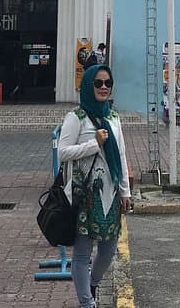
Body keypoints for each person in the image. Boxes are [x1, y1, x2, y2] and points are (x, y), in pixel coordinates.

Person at [58, 65, 131, 308]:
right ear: (89, 86)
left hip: (110, 195)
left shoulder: (113, 116)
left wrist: (125, 192)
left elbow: (120, 155)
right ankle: (87, 303)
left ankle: (92, 284)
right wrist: (93, 143)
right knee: (81, 254)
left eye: (107, 83)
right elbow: (63, 153)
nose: (103, 87)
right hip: (85, 195)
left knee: (108, 251)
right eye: (98, 83)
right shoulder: (76, 117)